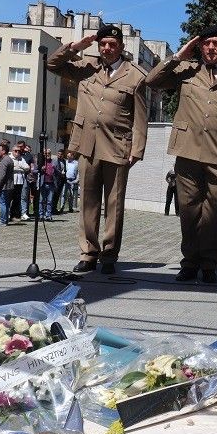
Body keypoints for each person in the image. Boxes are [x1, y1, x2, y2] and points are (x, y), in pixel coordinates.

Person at [146, 25, 217, 283]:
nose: (210, 47)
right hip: (187, 151)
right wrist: (178, 57)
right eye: (206, 43)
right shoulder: (186, 70)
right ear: (199, 46)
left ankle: (209, 263)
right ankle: (189, 262)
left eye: (216, 43)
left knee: (215, 213)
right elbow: (152, 81)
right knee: (188, 210)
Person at [48, 23, 149, 275]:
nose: (107, 48)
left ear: (121, 47)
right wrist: (75, 47)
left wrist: (137, 149)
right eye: (103, 44)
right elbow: (52, 65)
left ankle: (109, 255)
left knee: (114, 204)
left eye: (112, 44)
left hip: (117, 146)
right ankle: (88, 253)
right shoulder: (87, 68)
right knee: (88, 203)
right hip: (87, 144)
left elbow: (140, 116)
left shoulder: (135, 75)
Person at [0, 143, 16, 226]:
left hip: (4, 186)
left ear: (4, 151)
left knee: (2, 203)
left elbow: (2, 175)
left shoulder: (4, 161)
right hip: (9, 186)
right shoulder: (9, 159)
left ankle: (3, 221)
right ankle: (5, 220)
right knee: (6, 203)